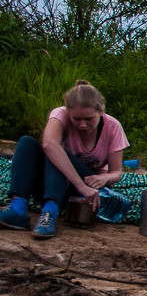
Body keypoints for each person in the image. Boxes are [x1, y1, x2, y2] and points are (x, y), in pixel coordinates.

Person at [0, 80, 129, 240]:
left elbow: (117, 173)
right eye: (76, 119)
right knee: (28, 143)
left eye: (89, 119)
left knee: (59, 153)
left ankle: (50, 213)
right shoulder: (59, 115)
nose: (82, 125)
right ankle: (18, 208)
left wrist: (103, 178)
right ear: (68, 111)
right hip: (56, 184)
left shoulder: (113, 127)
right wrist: (79, 185)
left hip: (85, 192)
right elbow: (48, 144)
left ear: (101, 111)